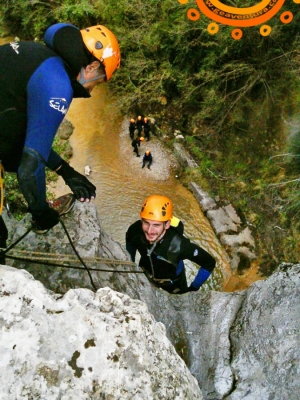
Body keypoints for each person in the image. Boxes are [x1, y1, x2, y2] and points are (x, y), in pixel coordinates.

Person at [0, 22, 121, 261]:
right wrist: (41, 213)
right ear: (92, 66)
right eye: (99, 80)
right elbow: (29, 167)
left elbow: (22, 133)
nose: (94, 88)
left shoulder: (35, 55)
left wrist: (66, 171)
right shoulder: (56, 85)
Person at [126, 195, 216, 294]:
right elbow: (130, 244)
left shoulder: (180, 245)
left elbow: (209, 262)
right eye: (146, 223)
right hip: (145, 274)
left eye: (156, 225)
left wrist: (193, 289)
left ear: (167, 224)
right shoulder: (135, 231)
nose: (150, 231)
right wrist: (131, 264)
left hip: (174, 284)